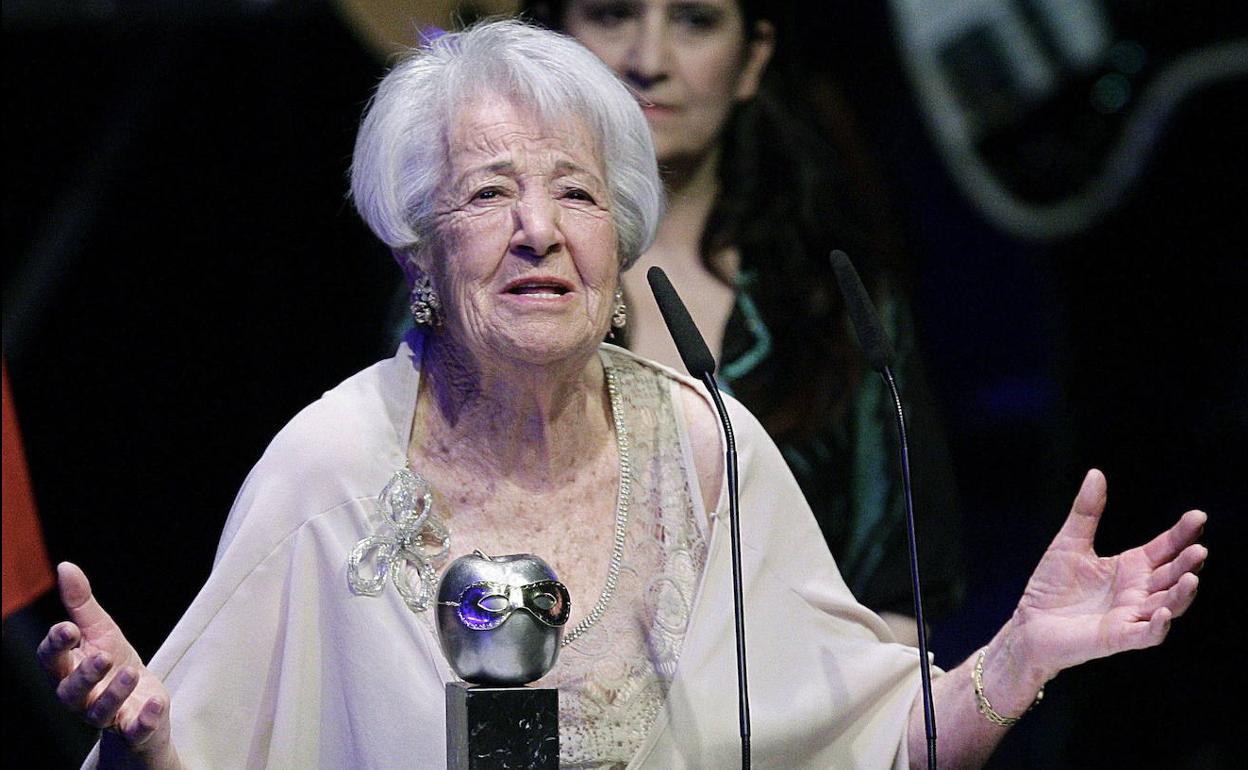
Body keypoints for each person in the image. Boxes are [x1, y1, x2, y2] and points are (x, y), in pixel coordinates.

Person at [36, 20, 1206, 769]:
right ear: (417, 250)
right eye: (490, 194)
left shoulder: (707, 443)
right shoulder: (329, 463)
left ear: (621, 240)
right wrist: (150, 745)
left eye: (578, 197)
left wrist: (1014, 660)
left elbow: (872, 747)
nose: (540, 231)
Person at [522, 0, 964, 645]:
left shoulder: (831, 301)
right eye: (613, 15)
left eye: (695, 21)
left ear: (753, 58)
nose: (648, 62)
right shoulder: (489, 284)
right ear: (554, 40)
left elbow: (904, 590)